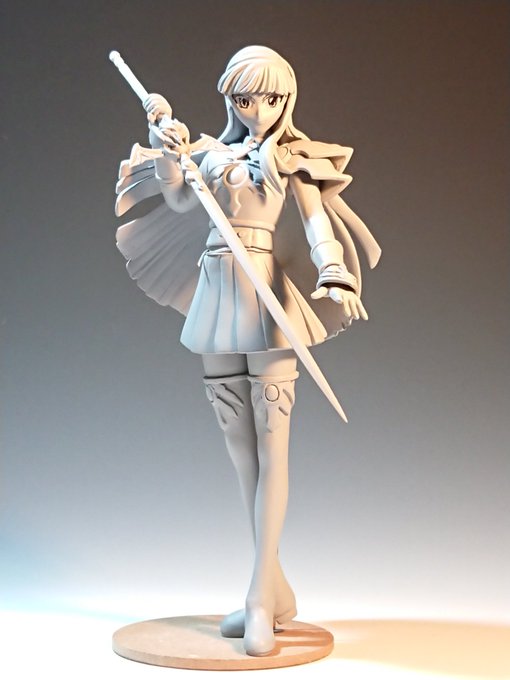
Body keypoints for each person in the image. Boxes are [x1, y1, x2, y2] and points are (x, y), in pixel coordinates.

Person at [115, 45, 381, 656]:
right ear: (228, 99)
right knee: (242, 454)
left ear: (287, 99)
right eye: (243, 98)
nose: (257, 109)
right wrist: (167, 146)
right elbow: (180, 200)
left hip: (268, 296)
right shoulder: (211, 154)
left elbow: (314, 222)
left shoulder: (290, 159)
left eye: (269, 97)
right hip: (216, 288)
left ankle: (262, 598)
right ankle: (272, 586)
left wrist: (333, 269)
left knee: (273, 446)